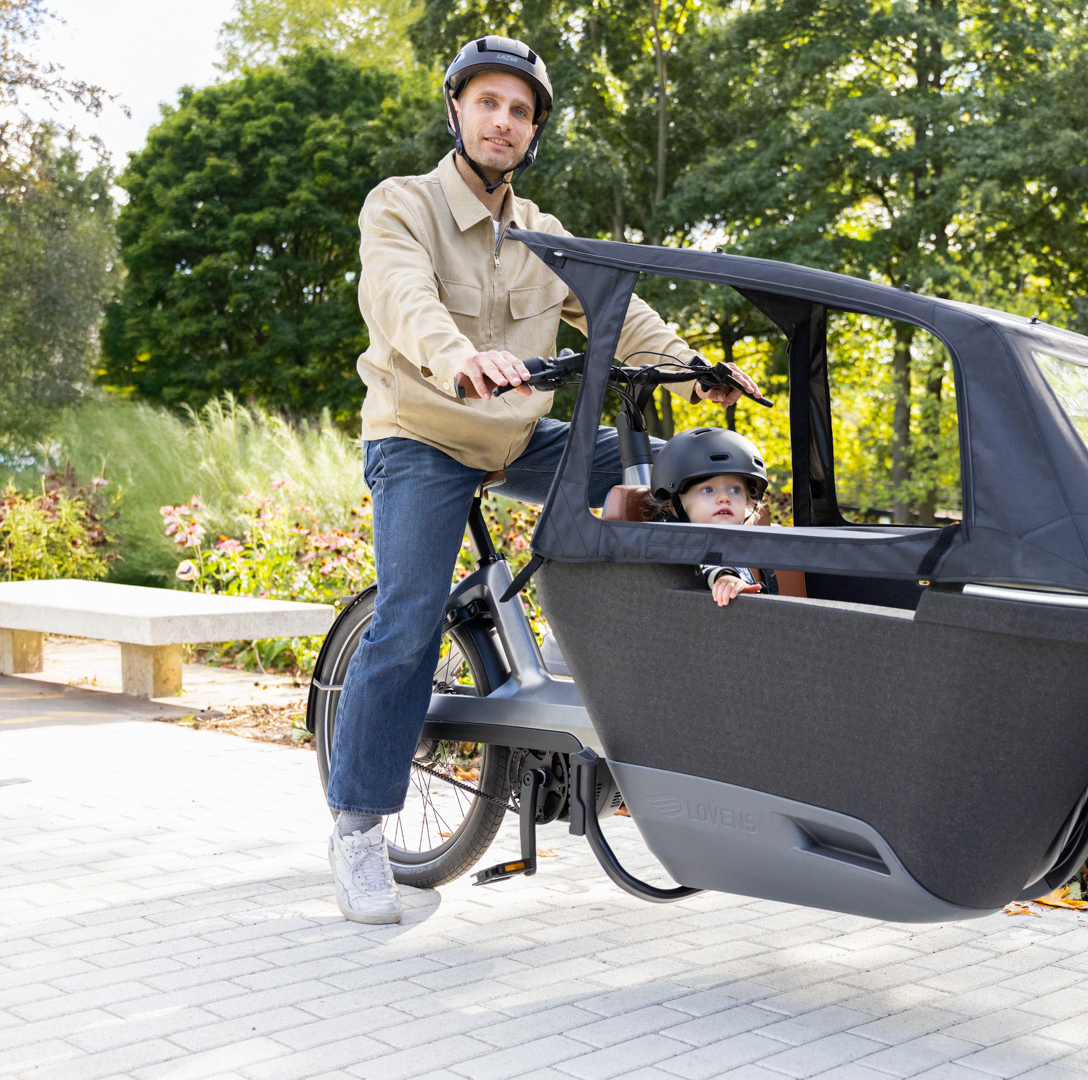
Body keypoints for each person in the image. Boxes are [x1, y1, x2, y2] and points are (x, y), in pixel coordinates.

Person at [325, 35, 762, 925]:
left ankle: (614, 648)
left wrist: (695, 371)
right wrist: (459, 357)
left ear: (533, 132)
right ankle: (359, 831)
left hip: (519, 434)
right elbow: (402, 300)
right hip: (421, 435)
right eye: (488, 102)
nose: (504, 121)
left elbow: (620, 316)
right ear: (456, 110)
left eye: (520, 111)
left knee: (676, 471)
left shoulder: (543, 234)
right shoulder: (402, 204)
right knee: (410, 620)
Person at [647, 427, 773, 607]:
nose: (725, 498)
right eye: (708, 489)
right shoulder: (678, 546)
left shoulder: (743, 546)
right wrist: (725, 578)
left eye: (735, 489)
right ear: (675, 505)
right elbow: (703, 566)